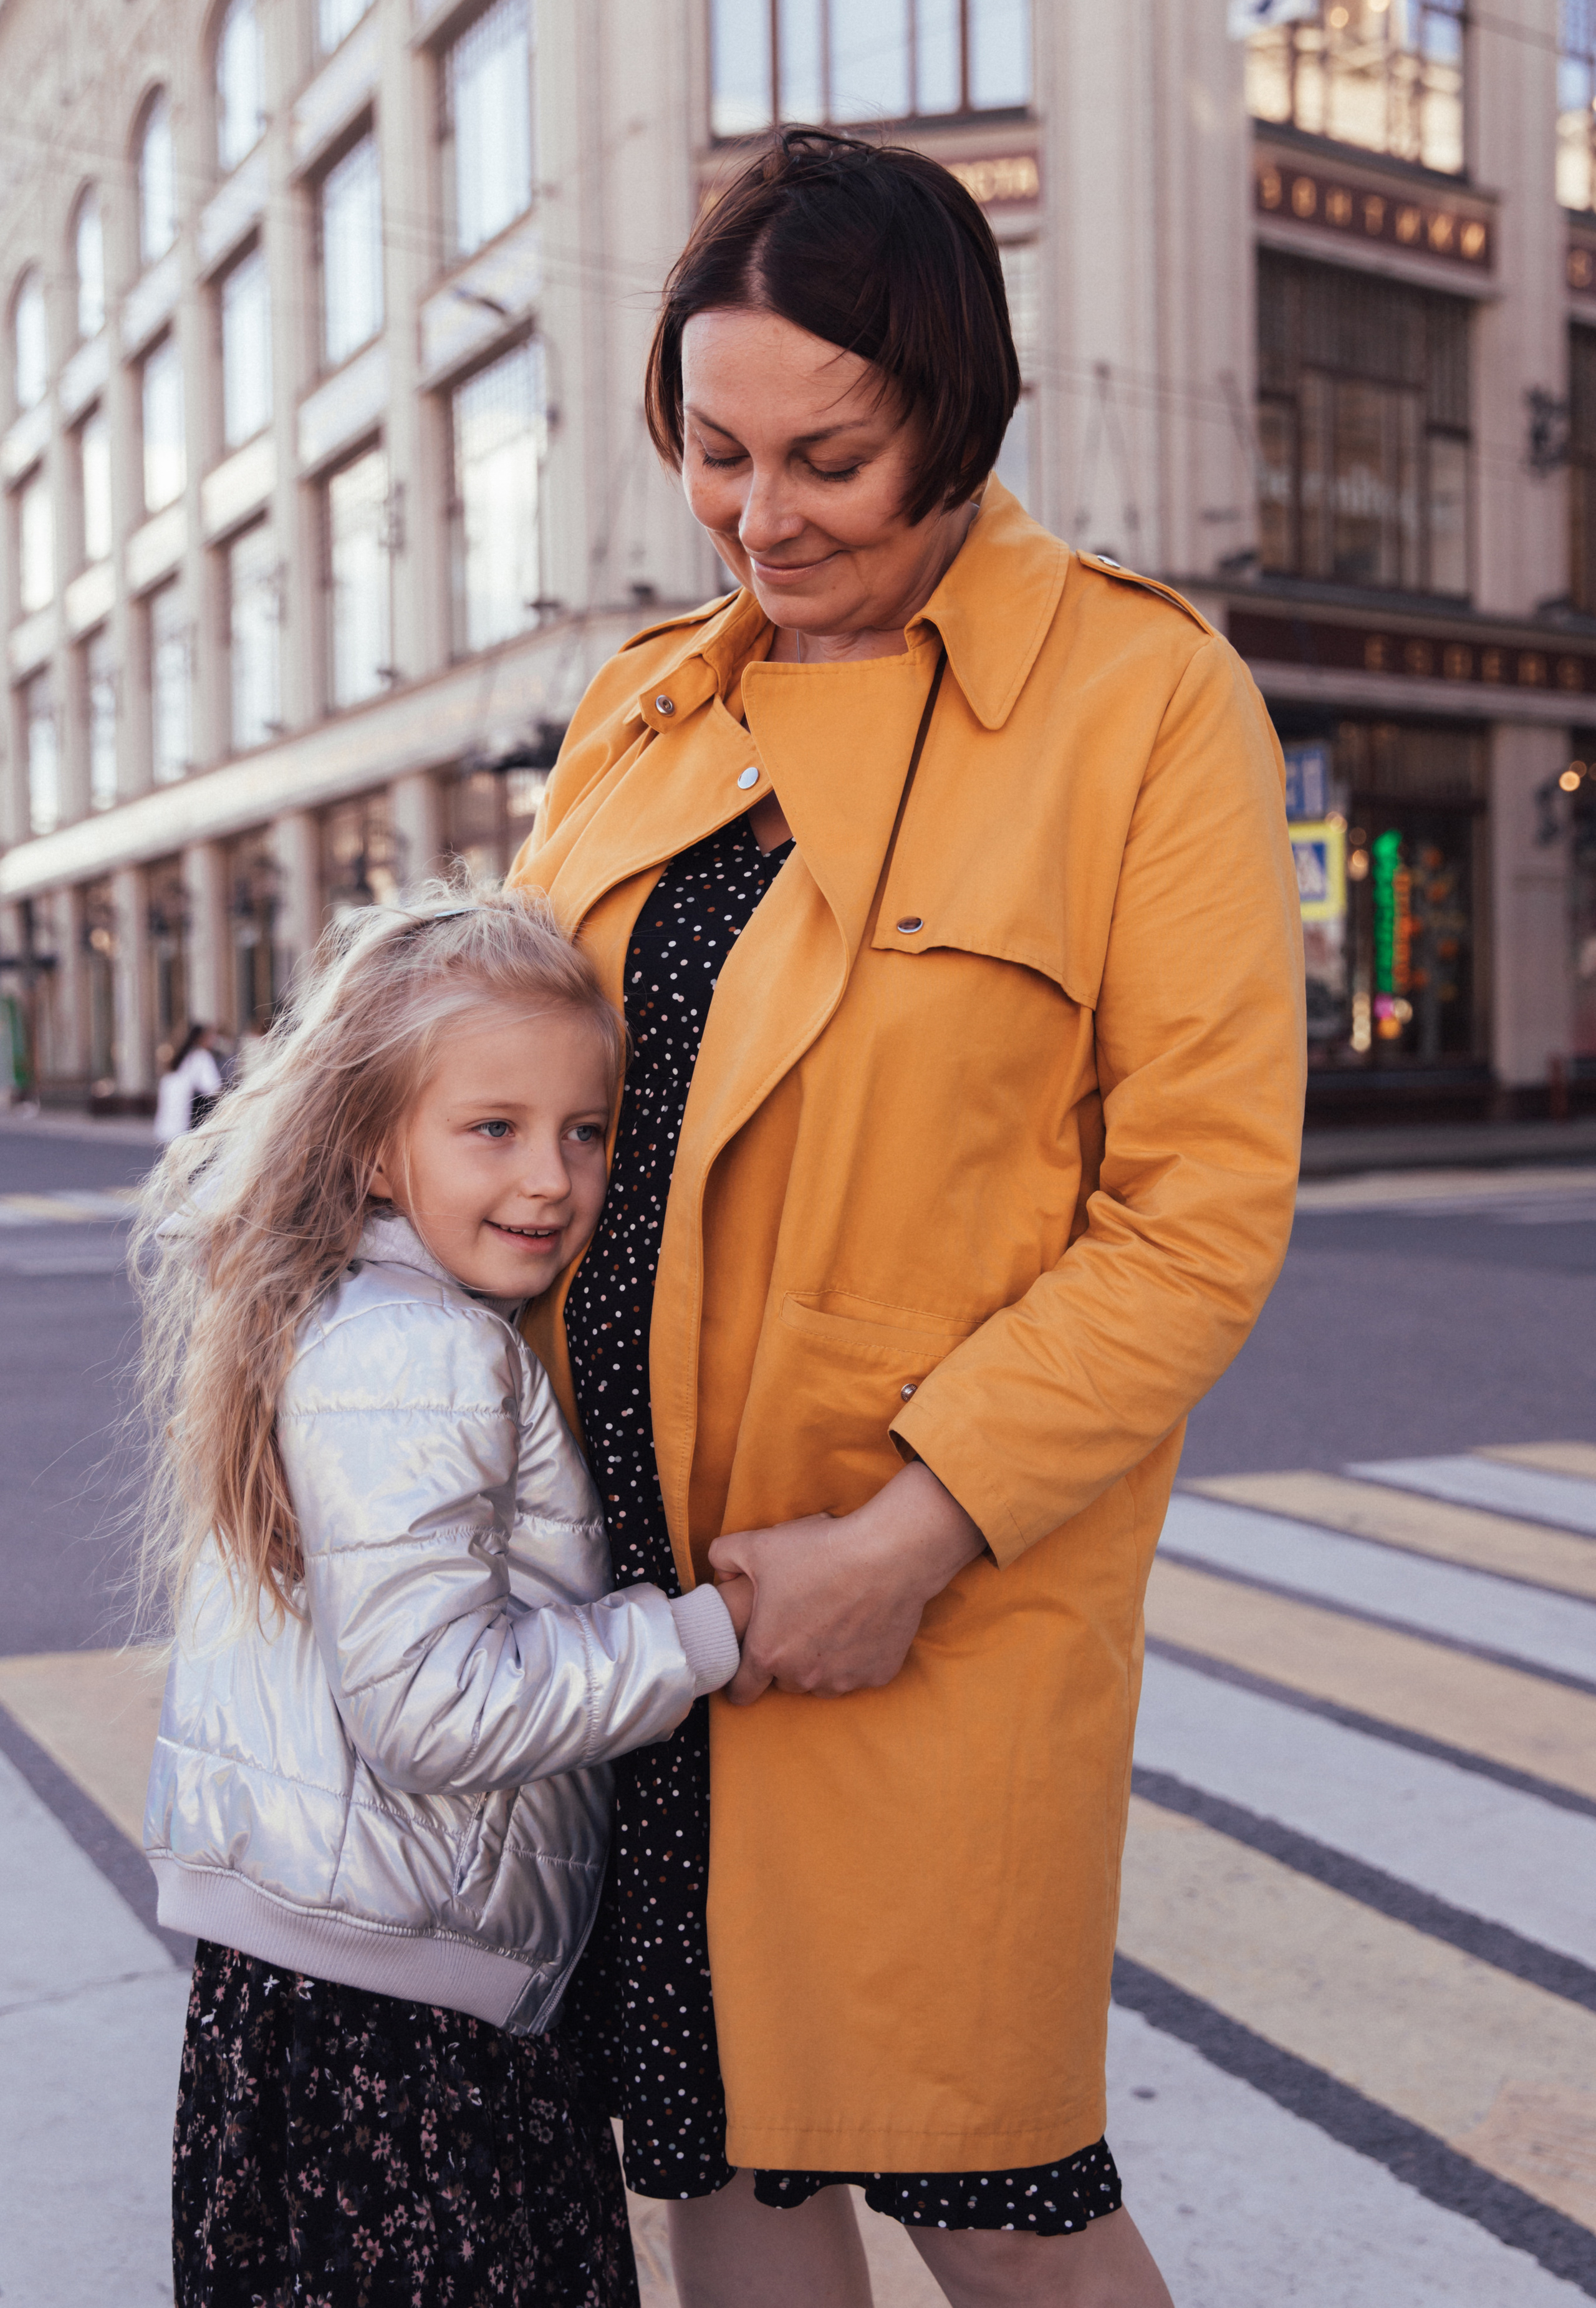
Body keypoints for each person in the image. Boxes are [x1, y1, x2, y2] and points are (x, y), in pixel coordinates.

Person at [509, 129, 1305, 2308]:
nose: (764, 517)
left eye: (831, 460)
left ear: (957, 416)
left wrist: (912, 1537)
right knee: (723, 2171)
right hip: (623, 1610)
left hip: (925, 1603)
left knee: (989, 2182)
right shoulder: (641, 705)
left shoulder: (1141, 702)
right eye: (717, 451)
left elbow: (1199, 1209)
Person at [133, 884, 751, 2308]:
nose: (551, 1177)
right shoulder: (424, 1353)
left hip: (302, 1995)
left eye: (585, 1130)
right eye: (494, 1128)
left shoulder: (324, 1311)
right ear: (372, 1145)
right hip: (409, 2027)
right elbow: (428, 1709)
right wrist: (699, 1635)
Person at [152, 1022, 223, 1144]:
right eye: (210, 1036)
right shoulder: (201, 1056)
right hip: (189, 1121)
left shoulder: (179, 1058)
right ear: (201, 1038)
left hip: (169, 1123)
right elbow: (214, 1088)